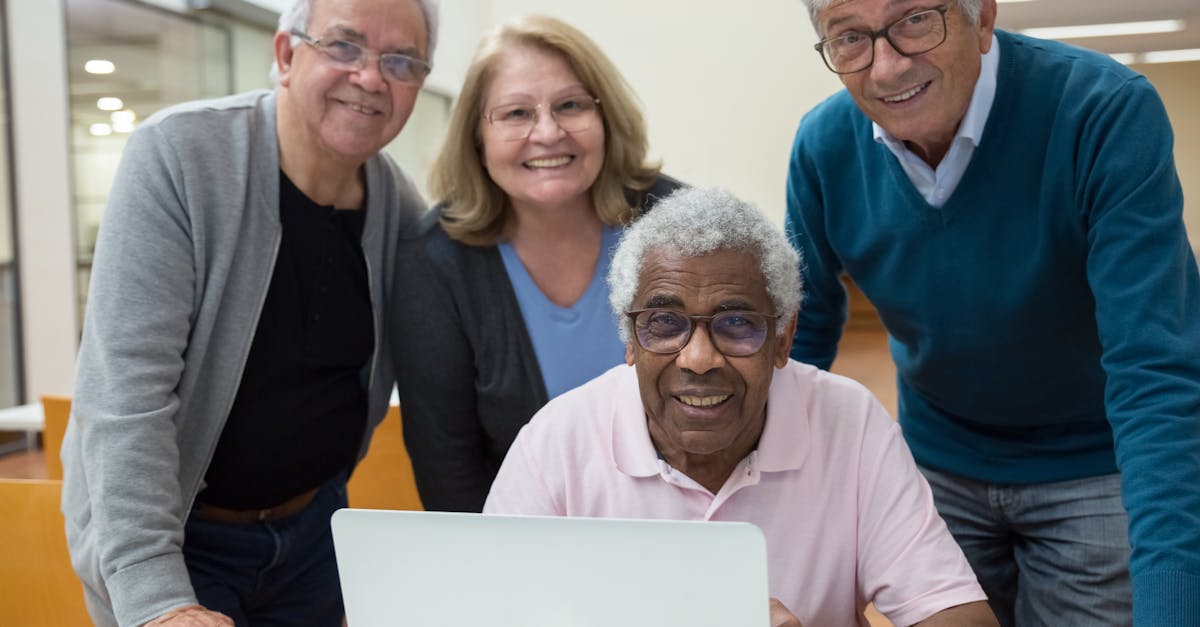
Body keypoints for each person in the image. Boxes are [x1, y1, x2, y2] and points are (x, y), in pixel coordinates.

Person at [785, 1, 1200, 624]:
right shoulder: (823, 146)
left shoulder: (1102, 109)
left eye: (915, 19)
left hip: (1097, 462)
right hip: (937, 459)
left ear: (981, 18)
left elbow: (1154, 366)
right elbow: (800, 338)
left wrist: (1174, 604)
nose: (887, 66)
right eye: (849, 37)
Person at [59, 0, 436, 625]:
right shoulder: (180, 155)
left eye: (400, 60)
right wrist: (156, 596)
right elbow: (125, 396)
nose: (371, 77)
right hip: (179, 538)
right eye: (343, 46)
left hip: (314, 535)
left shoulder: (398, 206)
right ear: (286, 55)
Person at [485, 187, 998, 627]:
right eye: (664, 323)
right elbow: (484, 611)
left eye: (736, 324)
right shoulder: (557, 441)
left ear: (784, 338)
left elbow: (957, 614)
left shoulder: (850, 423)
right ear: (629, 339)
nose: (698, 359)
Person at [390, 15, 680, 512]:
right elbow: (448, 472)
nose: (548, 132)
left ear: (606, 119)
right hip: (520, 544)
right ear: (477, 139)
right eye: (516, 113)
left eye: (570, 105)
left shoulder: (678, 225)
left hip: (690, 530)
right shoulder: (434, 262)